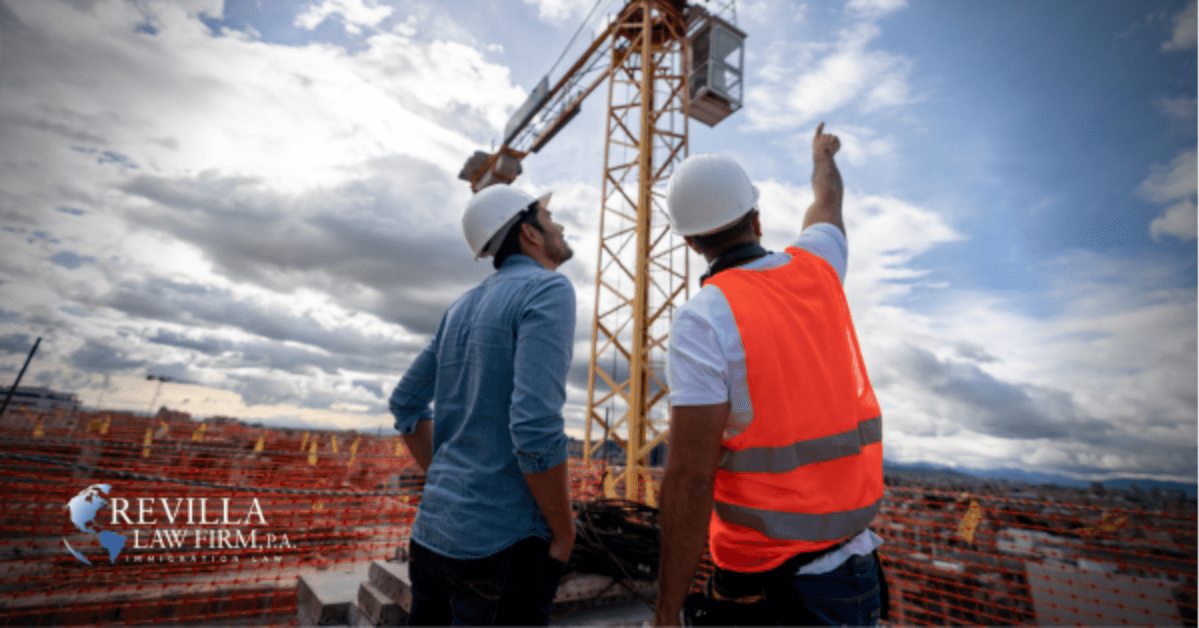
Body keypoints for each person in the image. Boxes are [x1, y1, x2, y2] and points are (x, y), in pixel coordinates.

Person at [653, 124, 887, 626]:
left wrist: (666, 611)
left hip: (767, 587)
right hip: (857, 569)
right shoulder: (820, 268)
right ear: (757, 220)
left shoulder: (704, 318)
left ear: (692, 242)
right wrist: (822, 156)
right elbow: (827, 202)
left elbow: (691, 479)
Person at [389, 184, 577, 626]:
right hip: (503, 547)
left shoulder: (461, 306)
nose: (561, 225)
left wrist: (449, 479)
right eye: (550, 219)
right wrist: (565, 532)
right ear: (529, 234)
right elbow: (533, 426)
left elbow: (405, 404)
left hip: (432, 534)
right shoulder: (548, 290)